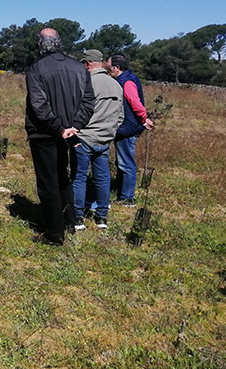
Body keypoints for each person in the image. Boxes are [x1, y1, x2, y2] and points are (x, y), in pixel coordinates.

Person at [25, 28, 94, 245]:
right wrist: (74, 126)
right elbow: (89, 102)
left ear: (40, 44)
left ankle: (54, 234)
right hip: (67, 132)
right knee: (62, 177)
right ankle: (70, 220)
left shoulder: (36, 68)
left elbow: (39, 105)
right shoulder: (78, 67)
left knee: (48, 183)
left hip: (45, 133)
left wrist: (61, 127)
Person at [71, 49, 124, 229]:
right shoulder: (116, 84)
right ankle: (102, 217)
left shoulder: (87, 83)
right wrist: (110, 131)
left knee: (79, 177)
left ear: (88, 64)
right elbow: (120, 116)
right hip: (105, 139)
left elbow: (76, 110)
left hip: (85, 137)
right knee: (102, 178)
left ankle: (78, 216)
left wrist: (75, 130)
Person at [107, 53, 154, 206]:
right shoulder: (125, 78)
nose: (108, 69)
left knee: (126, 162)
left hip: (128, 128)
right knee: (122, 160)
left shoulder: (126, 81)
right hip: (127, 127)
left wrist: (142, 119)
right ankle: (122, 192)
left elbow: (135, 102)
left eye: (109, 66)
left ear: (116, 67)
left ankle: (127, 198)